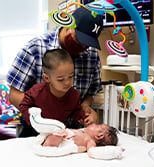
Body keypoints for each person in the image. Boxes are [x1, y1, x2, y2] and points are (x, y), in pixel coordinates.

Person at [6, 7, 104, 137]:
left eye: (87, 44)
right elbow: (14, 95)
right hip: (37, 131)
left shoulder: (91, 55)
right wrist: (45, 119)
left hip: (72, 132)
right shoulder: (35, 49)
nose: (82, 48)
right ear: (68, 25)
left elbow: (90, 93)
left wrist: (85, 108)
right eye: (79, 40)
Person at [18, 49, 86, 137]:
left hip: (58, 132)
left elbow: (76, 112)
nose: (67, 82)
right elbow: (23, 105)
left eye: (71, 76)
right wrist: (34, 120)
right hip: (34, 131)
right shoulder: (37, 92)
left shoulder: (74, 95)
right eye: (61, 79)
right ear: (47, 78)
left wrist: (83, 118)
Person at [29, 107, 122, 159]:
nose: (94, 124)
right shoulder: (83, 131)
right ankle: (37, 121)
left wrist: (114, 152)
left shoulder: (90, 141)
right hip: (55, 138)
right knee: (58, 127)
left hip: (55, 143)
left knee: (59, 127)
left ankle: (36, 120)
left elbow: (93, 152)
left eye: (98, 126)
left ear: (99, 136)